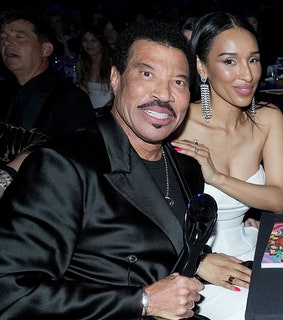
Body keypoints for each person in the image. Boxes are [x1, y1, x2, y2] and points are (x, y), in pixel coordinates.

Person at [0, 19, 205, 319]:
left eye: (179, 82)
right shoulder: (65, 166)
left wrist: (202, 258)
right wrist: (142, 302)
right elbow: (11, 292)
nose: (164, 94)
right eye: (147, 74)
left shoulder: (187, 170)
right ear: (115, 78)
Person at [170, 12, 283, 319]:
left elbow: (278, 199)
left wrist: (216, 177)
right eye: (229, 61)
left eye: (253, 60)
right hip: (196, 268)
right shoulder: (176, 125)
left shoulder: (267, 119)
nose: (247, 75)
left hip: (255, 252)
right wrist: (196, 261)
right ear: (201, 67)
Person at [0, 10, 95, 195]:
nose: (7, 42)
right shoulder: (3, 92)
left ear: (46, 49)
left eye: (19, 36)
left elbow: (79, 159)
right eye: (2, 37)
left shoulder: (69, 98)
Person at [76, 26, 113, 111]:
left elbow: (118, 95)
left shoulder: (112, 64)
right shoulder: (81, 65)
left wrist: (102, 112)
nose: (89, 45)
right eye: (85, 40)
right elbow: (83, 96)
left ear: (101, 43)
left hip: (110, 112)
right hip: (90, 112)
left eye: (93, 40)